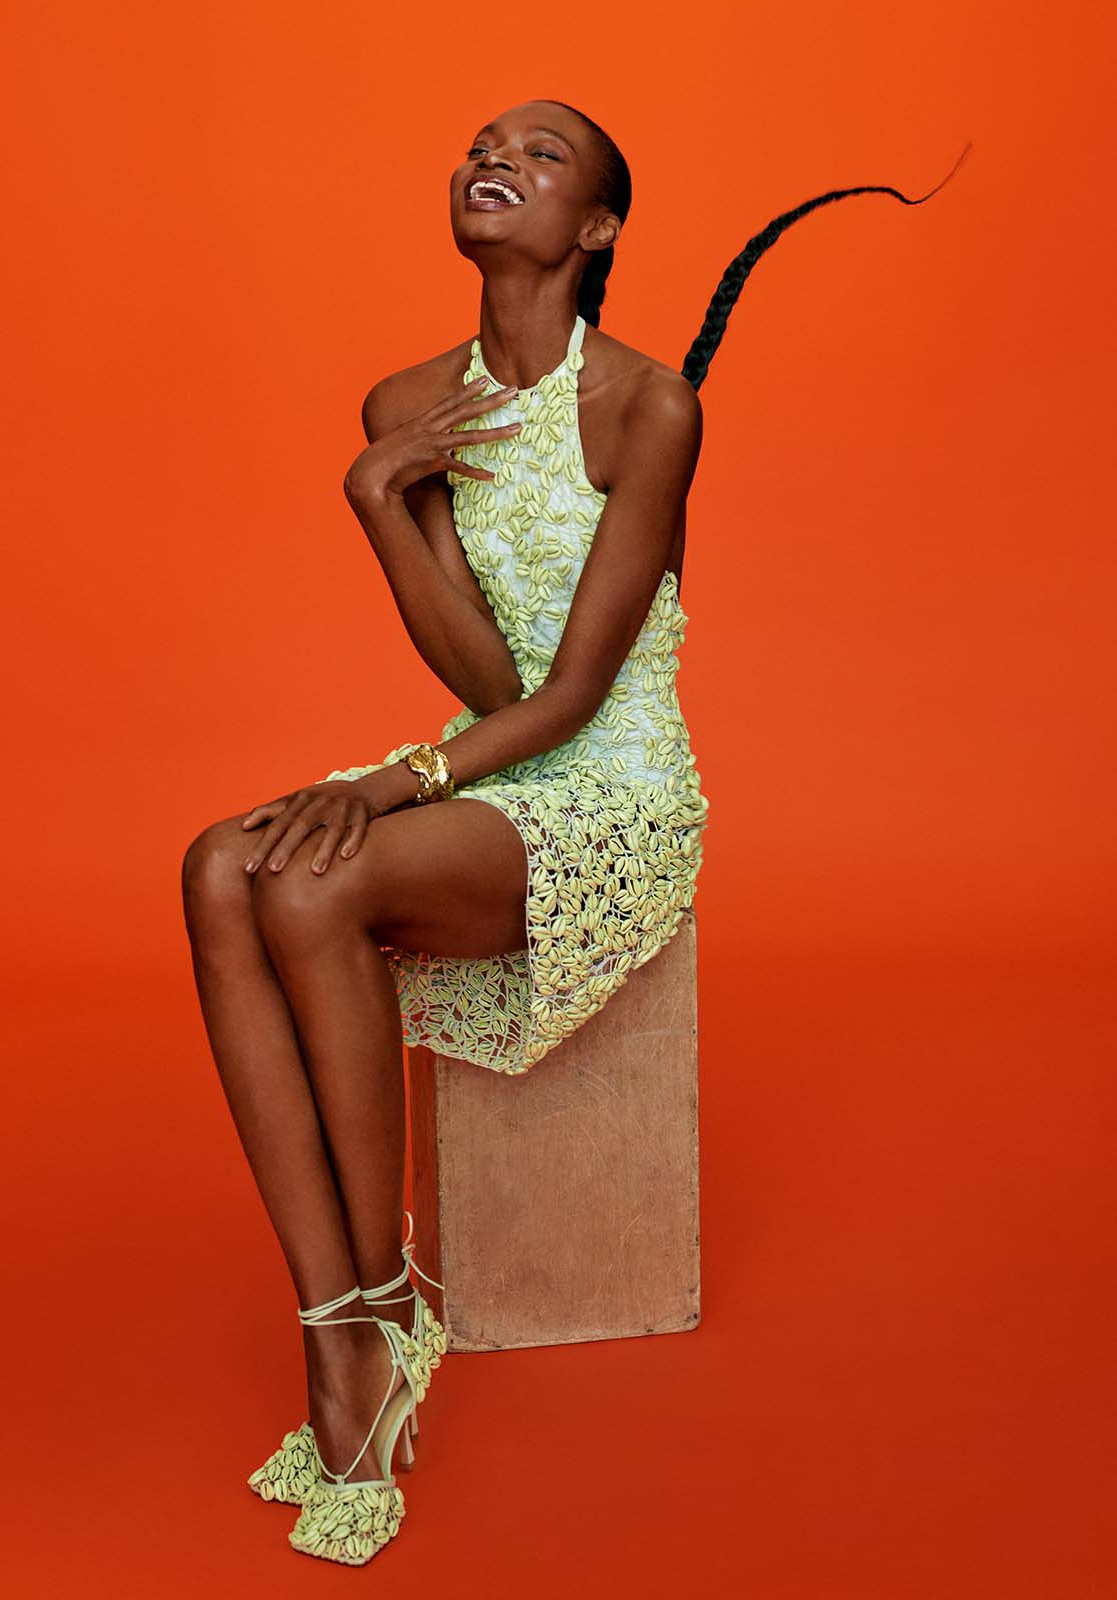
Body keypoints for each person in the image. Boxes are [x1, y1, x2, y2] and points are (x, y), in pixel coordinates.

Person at [180, 98, 968, 1567]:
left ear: (597, 229)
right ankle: (352, 1320)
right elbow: (488, 677)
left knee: (311, 886)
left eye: (543, 155)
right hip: (490, 753)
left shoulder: (651, 407)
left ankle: (369, 1330)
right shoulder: (402, 404)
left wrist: (405, 782)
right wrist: (377, 500)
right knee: (221, 865)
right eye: (484, 140)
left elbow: (582, 695)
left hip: (612, 787)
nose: (497, 158)